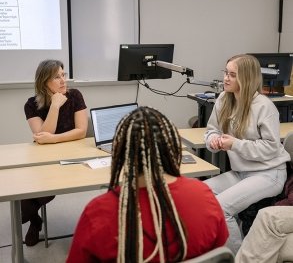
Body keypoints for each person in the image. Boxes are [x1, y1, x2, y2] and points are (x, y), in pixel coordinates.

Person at [67, 106, 228, 263]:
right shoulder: (203, 195)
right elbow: (219, 252)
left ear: (121, 153)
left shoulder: (98, 212)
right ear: (172, 147)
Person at [204, 54, 290, 255]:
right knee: (199, 194)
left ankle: (241, 257)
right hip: (241, 172)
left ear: (246, 78)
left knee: (221, 208)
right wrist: (214, 142)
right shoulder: (224, 99)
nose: (226, 78)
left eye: (232, 75)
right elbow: (211, 131)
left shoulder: (264, 107)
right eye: (225, 73)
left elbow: (270, 148)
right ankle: (213, 249)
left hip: (269, 173)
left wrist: (235, 144)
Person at [22, 59, 88, 246]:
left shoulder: (75, 95)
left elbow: (81, 131)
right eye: (56, 77)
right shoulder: (31, 104)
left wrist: (55, 139)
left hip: (74, 154)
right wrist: (54, 106)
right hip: (45, 157)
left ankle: (31, 218)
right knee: (29, 193)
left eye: (63, 75)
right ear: (44, 82)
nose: (62, 80)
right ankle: (35, 221)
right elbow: (42, 136)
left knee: (35, 198)